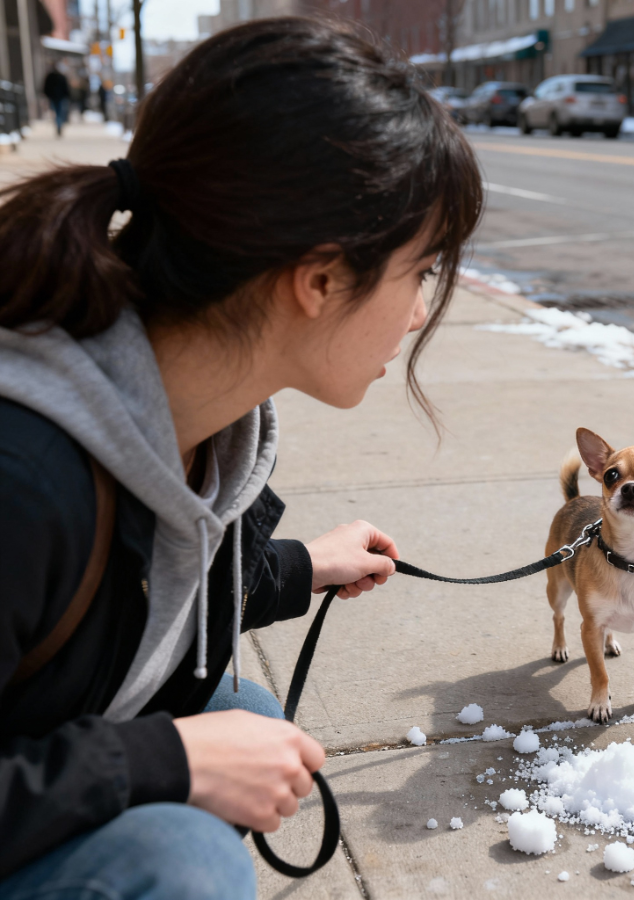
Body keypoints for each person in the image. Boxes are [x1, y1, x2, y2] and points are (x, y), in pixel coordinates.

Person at [0, 16, 482, 900]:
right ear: (320, 278)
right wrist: (157, 761)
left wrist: (300, 568)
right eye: (420, 272)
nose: (418, 315)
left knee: (244, 716)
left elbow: (139, 592)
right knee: (177, 862)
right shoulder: (24, 478)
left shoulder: (201, 417)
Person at [42, 64, 70, 136]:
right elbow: (66, 88)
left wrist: (46, 94)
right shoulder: (61, 76)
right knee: (59, 111)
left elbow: (46, 87)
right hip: (59, 97)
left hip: (54, 97)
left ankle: (58, 124)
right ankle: (59, 124)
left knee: (56, 111)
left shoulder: (50, 77)